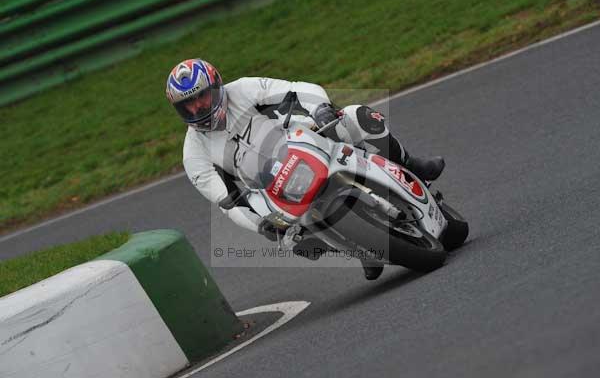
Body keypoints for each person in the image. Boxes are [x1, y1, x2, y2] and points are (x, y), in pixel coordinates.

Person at [166, 59, 445, 280]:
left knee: (356, 116)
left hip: (300, 141)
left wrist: (321, 107)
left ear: (217, 86)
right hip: (269, 188)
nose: (197, 107)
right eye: (187, 105)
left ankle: (409, 162)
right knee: (293, 242)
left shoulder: (244, 88)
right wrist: (260, 224)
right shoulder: (194, 154)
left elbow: (297, 88)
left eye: (201, 97)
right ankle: (359, 249)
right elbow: (225, 200)